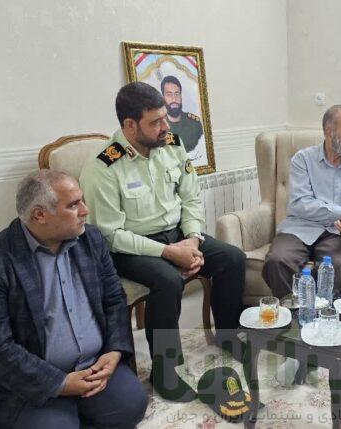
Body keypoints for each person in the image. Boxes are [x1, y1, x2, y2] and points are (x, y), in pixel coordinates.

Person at [79, 82, 245, 402]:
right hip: (129, 247)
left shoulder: (171, 144)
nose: (165, 126)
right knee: (168, 280)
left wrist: (193, 240)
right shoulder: (103, 167)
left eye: (164, 118)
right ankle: (165, 372)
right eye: (155, 121)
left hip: (178, 234)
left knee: (232, 258)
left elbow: (191, 197)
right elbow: (110, 235)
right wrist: (170, 253)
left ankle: (228, 336)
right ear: (130, 125)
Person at [0, 170, 147, 429]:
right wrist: (60, 383)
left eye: (82, 201)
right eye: (74, 205)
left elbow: (114, 299)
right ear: (39, 215)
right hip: (28, 382)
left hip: (92, 365)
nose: (85, 210)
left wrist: (114, 350)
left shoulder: (91, 239)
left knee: (132, 405)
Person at [261, 104, 341, 298]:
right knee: (277, 260)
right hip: (300, 227)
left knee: (335, 265)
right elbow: (301, 204)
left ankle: (325, 313)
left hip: (337, 232)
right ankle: (294, 312)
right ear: (329, 132)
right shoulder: (303, 160)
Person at [161, 75, 204, 153]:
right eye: (169, 94)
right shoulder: (158, 128)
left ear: (181, 96)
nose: (174, 99)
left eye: (177, 94)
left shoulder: (195, 124)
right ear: (163, 98)